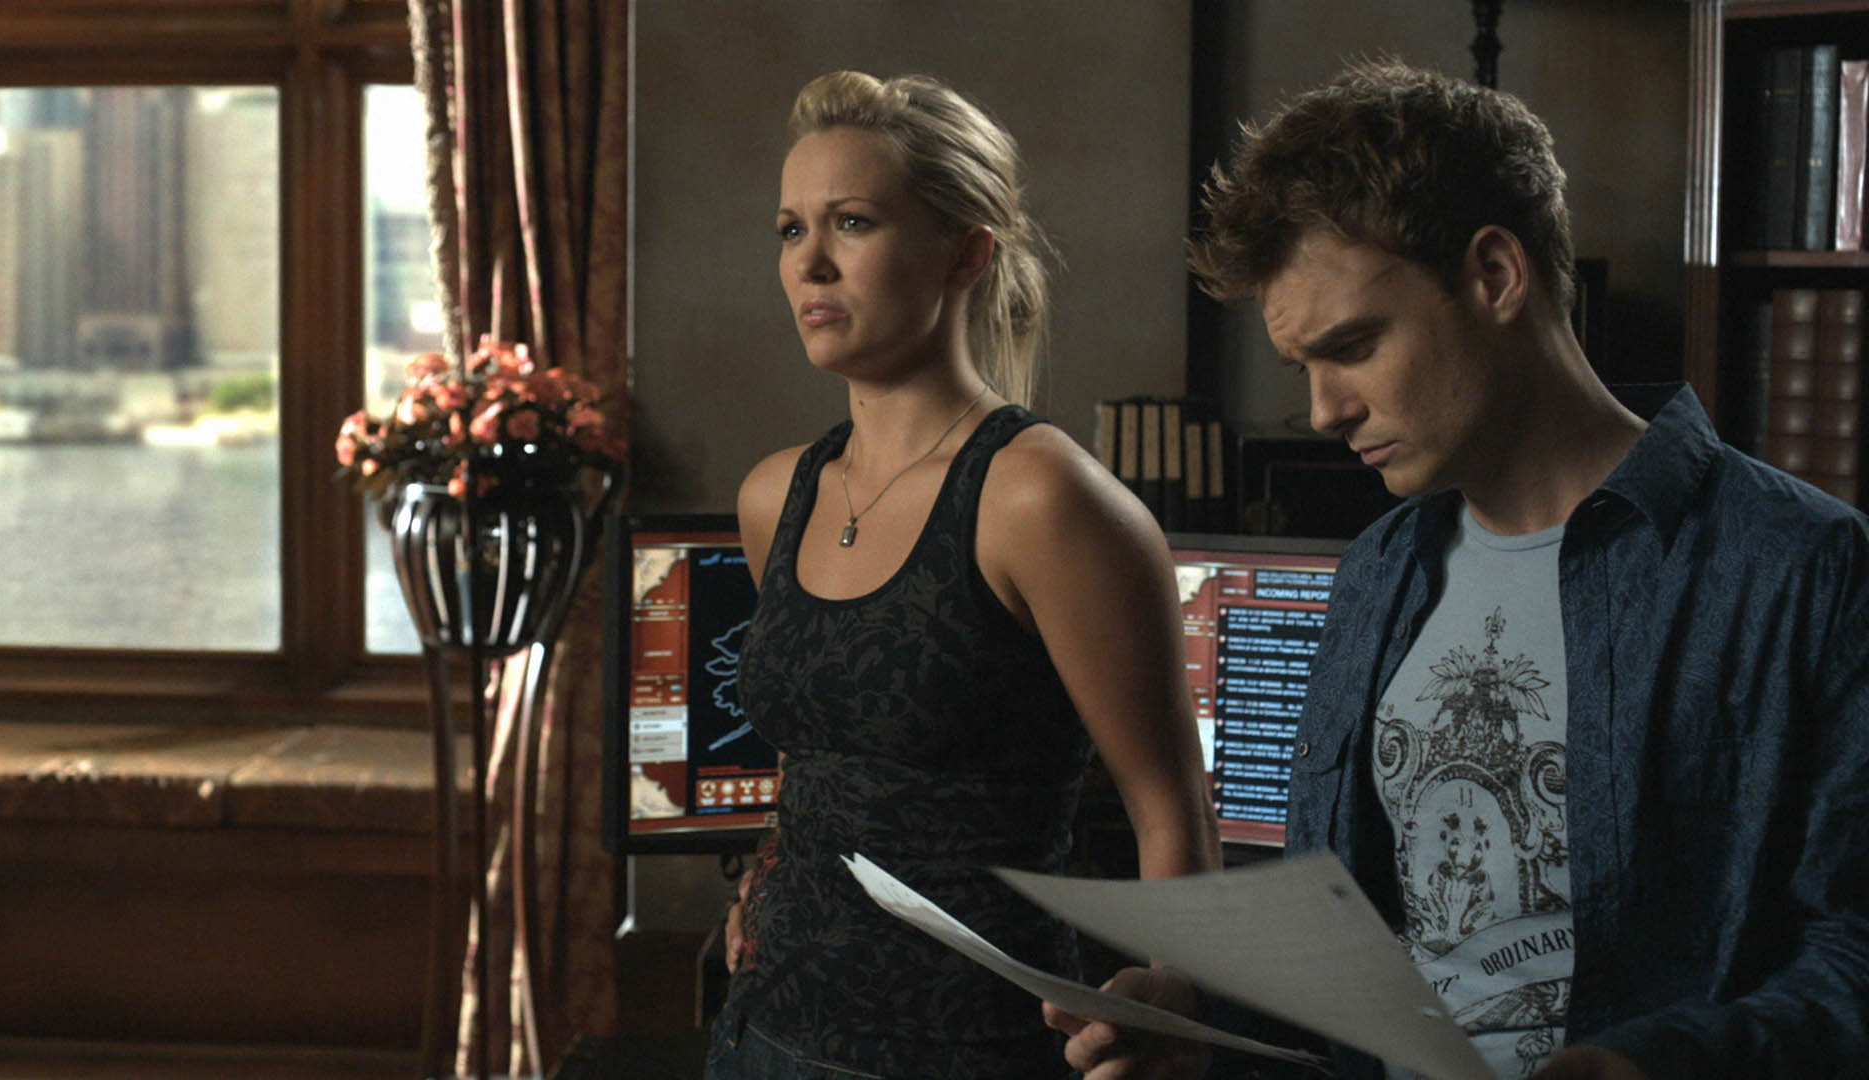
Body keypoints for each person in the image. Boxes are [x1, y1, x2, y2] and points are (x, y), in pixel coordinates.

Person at [1050, 60, 1869, 1080]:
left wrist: (1649, 1066)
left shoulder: (1802, 568)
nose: (1324, 411)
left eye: (1354, 346)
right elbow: (1351, 957)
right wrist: (1199, 1015)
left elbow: (1854, 957)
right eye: (1305, 367)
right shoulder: (1378, 573)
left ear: (1494, 276)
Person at [701, 70, 1222, 1080]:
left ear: (967, 252)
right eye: (790, 229)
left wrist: (1180, 1002)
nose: (809, 261)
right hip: (758, 1032)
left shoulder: (1040, 498)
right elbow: (817, 752)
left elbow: (1171, 802)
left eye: (852, 222)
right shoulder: (775, 495)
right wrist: (764, 877)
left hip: (967, 1050)